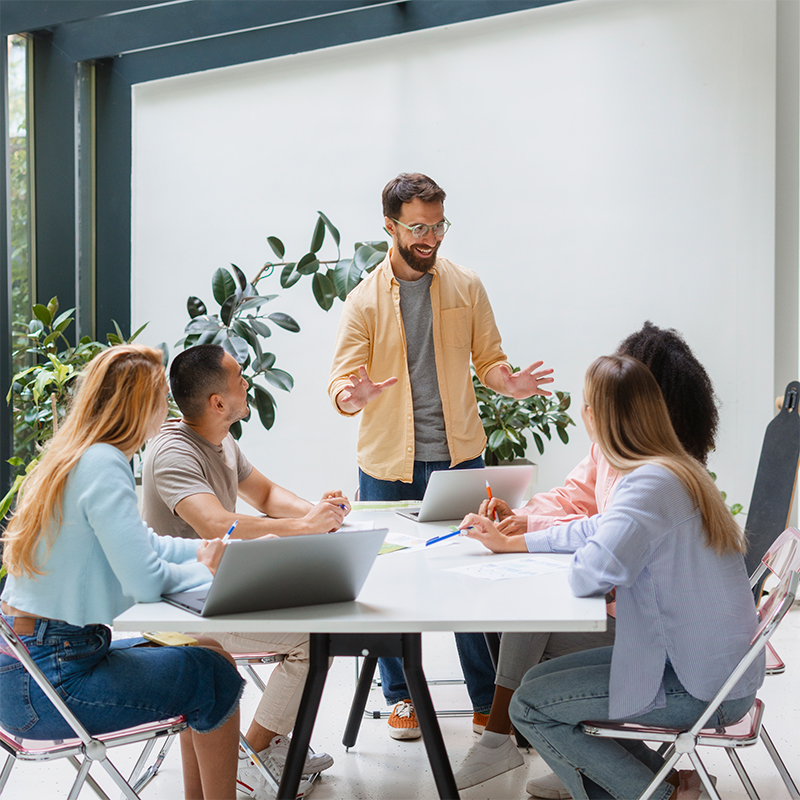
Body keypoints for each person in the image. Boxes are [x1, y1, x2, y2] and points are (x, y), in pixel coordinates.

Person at [462, 354, 764, 800]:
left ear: (592, 416)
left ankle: (655, 796)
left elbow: (591, 574)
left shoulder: (648, 484)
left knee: (531, 707)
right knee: (535, 682)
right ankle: (665, 785)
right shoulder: (671, 468)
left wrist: (555, 553)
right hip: (703, 665)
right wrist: (517, 542)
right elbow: (596, 529)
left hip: (696, 683)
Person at [327, 172, 554, 740]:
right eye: (419, 227)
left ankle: (487, 702)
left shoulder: (467, 285)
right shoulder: (362, 301)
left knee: (472, 579)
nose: (431, 237)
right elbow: (340, 384)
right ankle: (400, 696)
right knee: (386, 585)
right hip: (386, 465)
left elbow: (491, 360)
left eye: (438, 225)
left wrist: (512, 384)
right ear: (390, 226)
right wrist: (354, 395)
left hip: (458, 459)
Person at [0, 345, 243, 800]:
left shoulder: (76, 455)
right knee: (212, 674)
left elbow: (143, 545)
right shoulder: (104, 464)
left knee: (206, 650)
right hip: (52, 684)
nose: (167, 409)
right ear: (142, 405)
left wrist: (207, 553)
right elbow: (145, 580)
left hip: (25, 671)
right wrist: (209, 571)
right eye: (161, 399)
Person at [142, 343, 347, 798]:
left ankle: (256, 750)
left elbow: (269, 494)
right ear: (218, 402)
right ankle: (250, 757)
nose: (247, 382)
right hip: (184, 613)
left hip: (222, 594)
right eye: (239, 377)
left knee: (320, 617)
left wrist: (320, 513)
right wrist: (304, 527)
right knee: (316, 638)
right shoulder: (173, 452)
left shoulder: (222, 441)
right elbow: (215, 522)